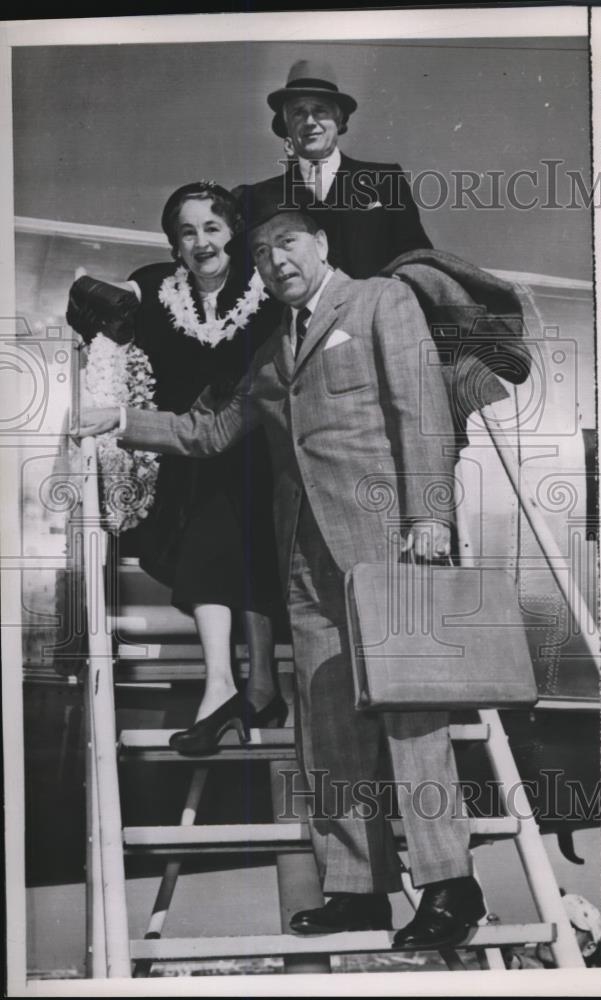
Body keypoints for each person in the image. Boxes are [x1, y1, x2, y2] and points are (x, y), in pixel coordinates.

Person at [78, 181, 487, 951]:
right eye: (262, 253)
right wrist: (119, 420)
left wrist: (428, 516)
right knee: (327, 729)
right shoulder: (273, 347)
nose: (274, 261)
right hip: (305, 561)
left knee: (409, 719)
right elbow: (209, 430)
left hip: (388, 547)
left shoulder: (378, 304)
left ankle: (448, 887)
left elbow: (420, 412)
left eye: (287, 244)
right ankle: (356, 888)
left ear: (320, 246)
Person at [68, 181, 285, 753]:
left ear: (232, 233)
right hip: (183, 464)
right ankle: (241, 686)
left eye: (212, 228)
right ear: (173, 244)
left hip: (263, 457)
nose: (201, 242)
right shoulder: (150, 286)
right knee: (214, 490)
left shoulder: (266, 288)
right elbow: (100, 312)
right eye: (187, 232)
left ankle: (243, 685)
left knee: (240, 490)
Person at [253, 58, 432, 278]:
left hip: (374, 309)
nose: (309, 121)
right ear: (286, 124)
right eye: (298, 112)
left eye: (320, 111)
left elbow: (418, 261)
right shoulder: (261, 196)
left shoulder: (386, 181)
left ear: (339, 120)